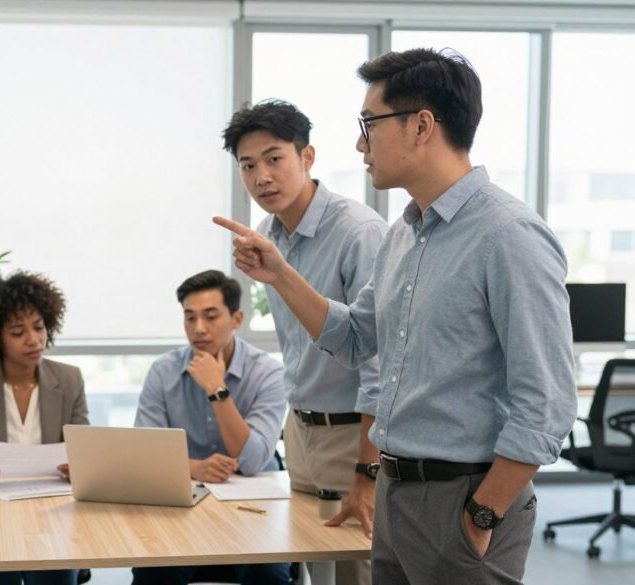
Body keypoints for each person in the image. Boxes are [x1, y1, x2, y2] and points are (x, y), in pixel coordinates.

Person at [215, 48, 577, 585]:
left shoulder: (509, 235)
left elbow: (547, 403)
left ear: (422, 126)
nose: (361, 144)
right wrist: (280, 275)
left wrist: (482, 514)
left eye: (369, 124)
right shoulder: (403, 234)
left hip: (464, 496)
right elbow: (356, 338)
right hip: (395, 486)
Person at [221, 99, 387, 585]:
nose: (261, 177)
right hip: (301, 431)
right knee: (314, 569)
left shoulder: (358, 232)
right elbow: (298, 347)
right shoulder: (269, 236)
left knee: (357, 572)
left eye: (275, 159)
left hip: (352, 432)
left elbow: (377, 360)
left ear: (307, 157)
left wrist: (367, 469)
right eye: (248, 166)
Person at [132, 269, 289, 585]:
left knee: (268, 575)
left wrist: (217, 389)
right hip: (182, 504)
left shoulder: (269, 373)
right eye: (189, 318)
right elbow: (143, 456)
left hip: (253, 506)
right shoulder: (163, 371)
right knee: (153, 573)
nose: (198, 329)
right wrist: (195, 468)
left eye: (210, 316)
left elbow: (254, 459)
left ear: (236, 318)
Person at [0, 271, 88, 585]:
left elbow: (86, 451)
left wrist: (81, 467)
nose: (34, 340)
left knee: (56, 573)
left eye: (39, 327)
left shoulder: (69, 379)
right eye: (18, 332)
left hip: (51, 513)